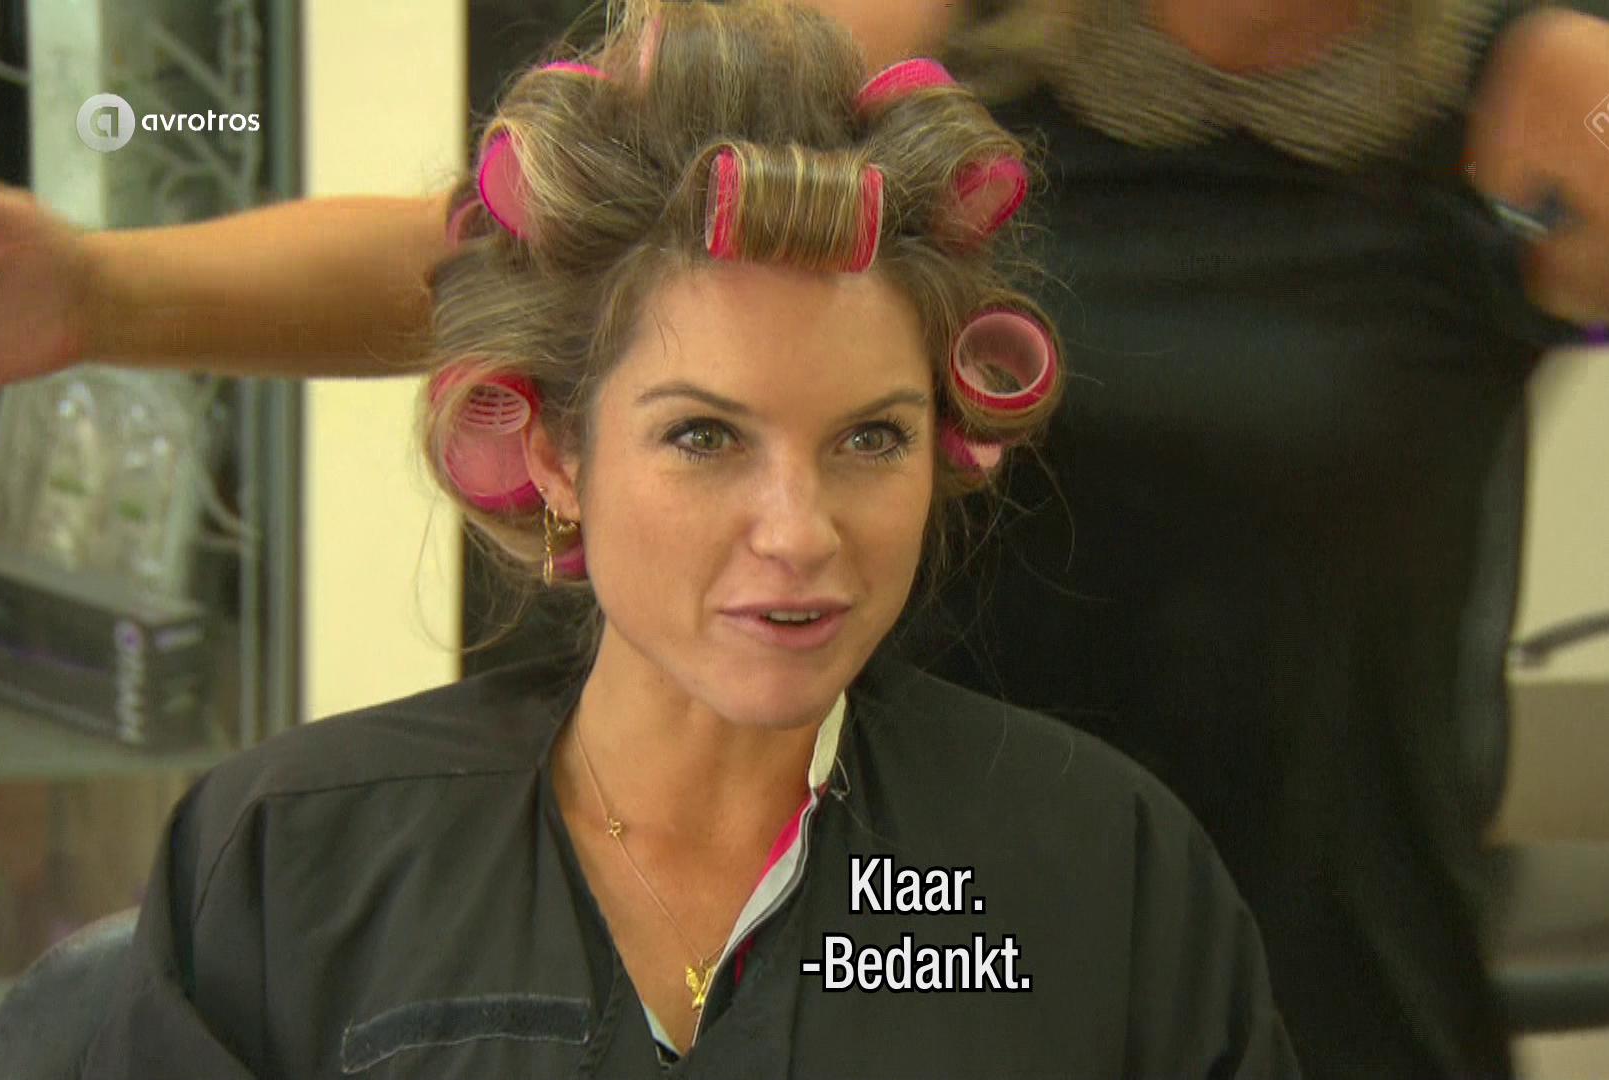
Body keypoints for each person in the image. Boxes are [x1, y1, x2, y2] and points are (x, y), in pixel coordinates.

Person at [0, 1, 1609, 1077]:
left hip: (1289, 967)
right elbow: (540, 259)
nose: (795, 521)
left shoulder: (1561, 114)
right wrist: (102, 291)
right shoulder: (904, 49)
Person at [67, 4, 1297, 1077]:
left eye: (871, 439)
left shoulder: (1100, 878)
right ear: (557, 451)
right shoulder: (293, 866)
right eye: (705, 438)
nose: (799, 533)